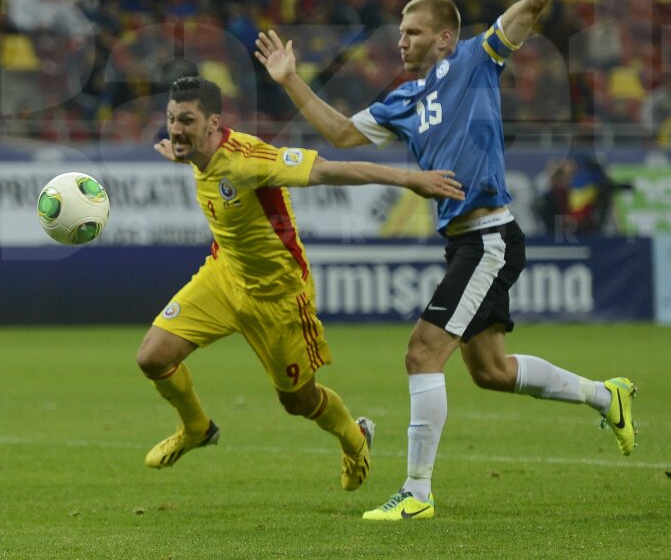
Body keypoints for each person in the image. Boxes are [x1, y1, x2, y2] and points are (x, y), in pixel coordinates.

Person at [257, 0, 637, 521]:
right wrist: (291, 82)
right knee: (490, 370)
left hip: (488, 235)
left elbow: (536, 0)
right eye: (399, 31)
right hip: (465, 240)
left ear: (442, 36)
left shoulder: (477, 59)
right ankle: (607, 397)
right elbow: (342, 134)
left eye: (411, 31)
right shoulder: (402, 100)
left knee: (421, 352)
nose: (399, 40)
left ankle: (418, 492)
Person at [136, 76, 466, 493]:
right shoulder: (198, 151)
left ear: (214, 122)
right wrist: (180, 153)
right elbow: (200, 158)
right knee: (152, 357)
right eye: (171, 119)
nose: (176, 129)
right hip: (223, 278)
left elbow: (330, 170)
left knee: (298, 402)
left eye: (186, 120)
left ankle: (354, 437)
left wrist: (409, 180)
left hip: (279, 297)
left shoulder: (251, 159)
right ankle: (197, 428)